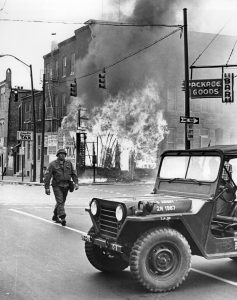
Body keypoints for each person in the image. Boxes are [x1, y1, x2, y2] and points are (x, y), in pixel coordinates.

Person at [44, 148, 79, 226]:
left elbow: (73, 174)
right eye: (61, 154)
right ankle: (62, 218)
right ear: (58, 155)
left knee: (61, 202)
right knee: (60, 202)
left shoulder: (69, 163)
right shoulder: (52, 164)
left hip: (66, 185)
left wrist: (76, 183)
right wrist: (47, 187)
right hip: (57, 185)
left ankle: (55, 216)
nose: (62, 155)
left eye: (64, 154)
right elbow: (47, 176)